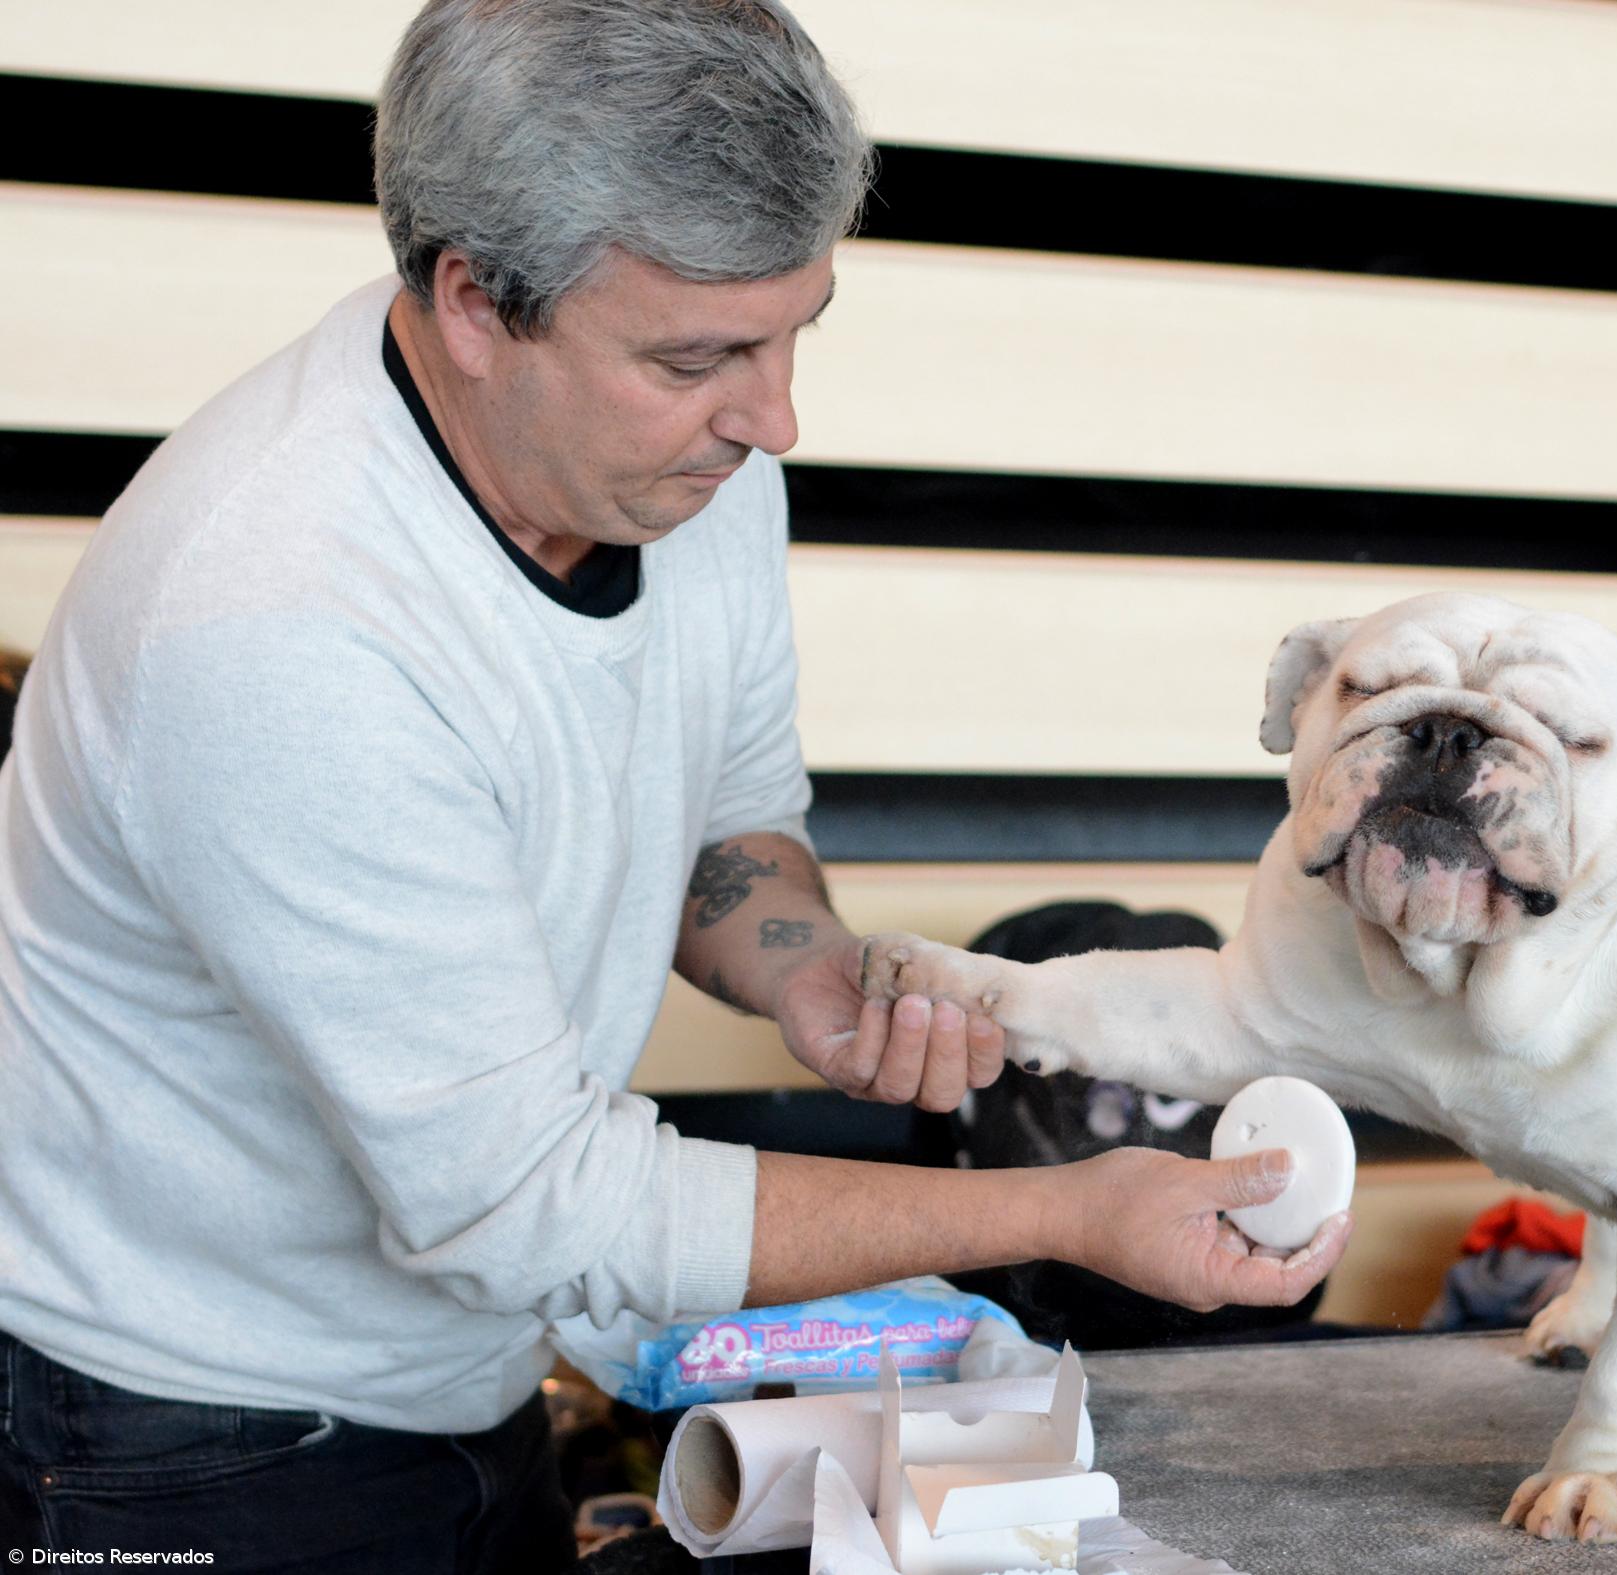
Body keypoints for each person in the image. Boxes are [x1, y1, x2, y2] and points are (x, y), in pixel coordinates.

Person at [0, 3, 1350, 1569]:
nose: (772, 420)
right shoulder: (275, 626)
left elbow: (729, 812)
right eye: (697, 357)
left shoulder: (680, 466)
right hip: (174, 1436)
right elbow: (530, 1204)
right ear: (470, 304)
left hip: (467, 1375)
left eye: (797, 334)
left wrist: (812, 973)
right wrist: (1062, 1216)